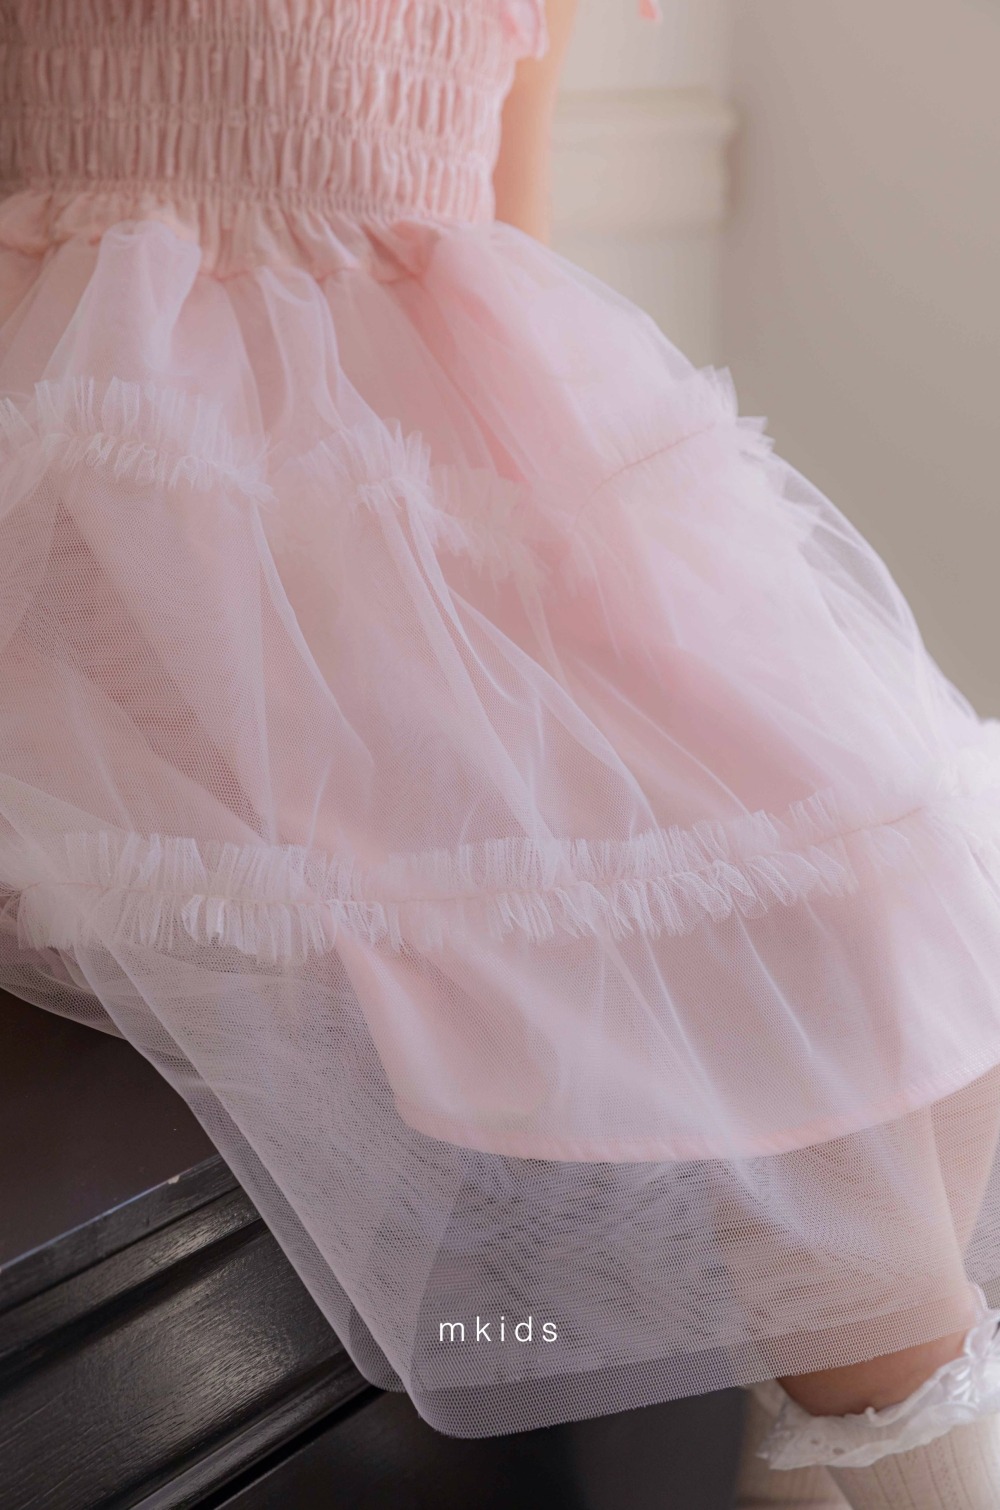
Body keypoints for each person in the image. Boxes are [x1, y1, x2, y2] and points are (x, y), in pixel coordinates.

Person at [2, 3, 1000, 1505]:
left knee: (874, 866)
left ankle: (829, 1451)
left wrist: (559, 609)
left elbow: (500, 240)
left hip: (437, 507)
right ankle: (897, 1449)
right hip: (127, 525)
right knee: (748, 928)